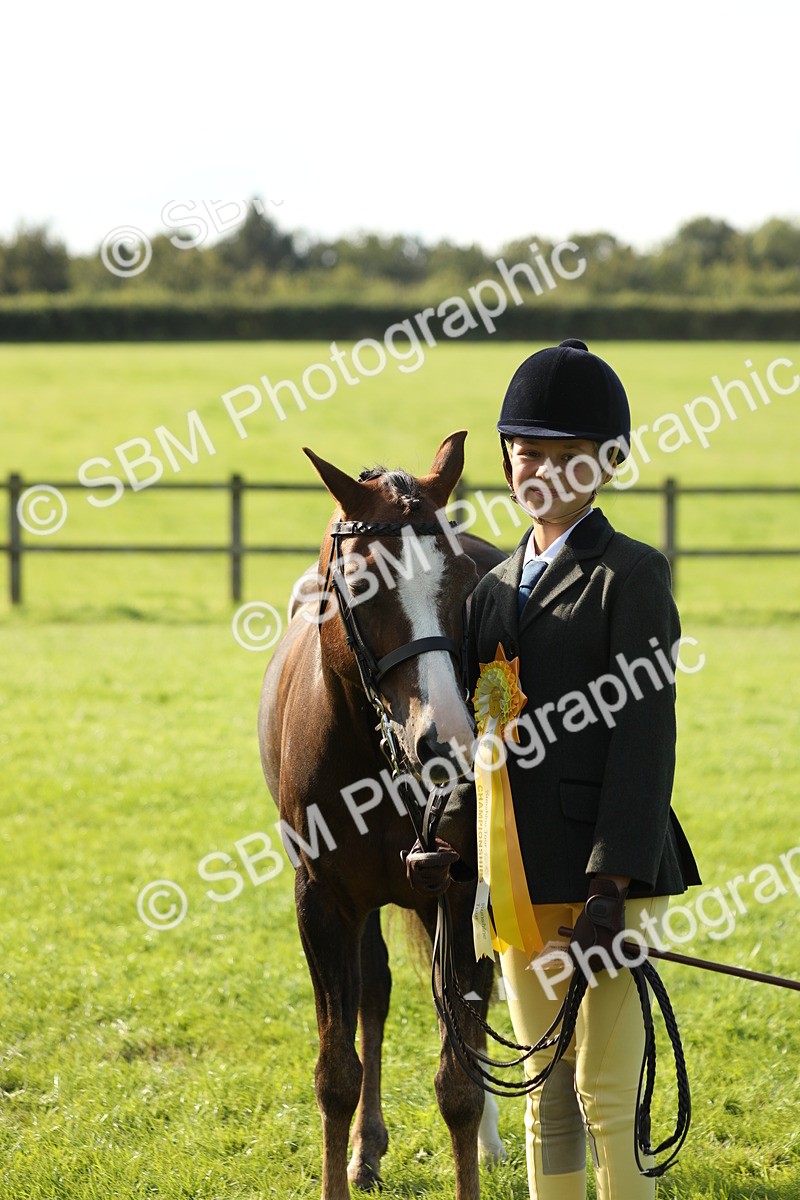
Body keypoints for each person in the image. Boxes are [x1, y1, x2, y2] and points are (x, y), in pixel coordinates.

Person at [404, 338, 701, 1200]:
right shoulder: (492, 589)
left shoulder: (630, 575)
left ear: (606, 463)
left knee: (604, 1095)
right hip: (513, 879)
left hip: (601, 882)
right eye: (528, 454)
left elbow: (646, 741)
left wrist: (612, 884)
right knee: (545, 1098)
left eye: (567, 459)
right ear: (507, 458)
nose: (542, 474)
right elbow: (472, 739)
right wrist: (445, 845)